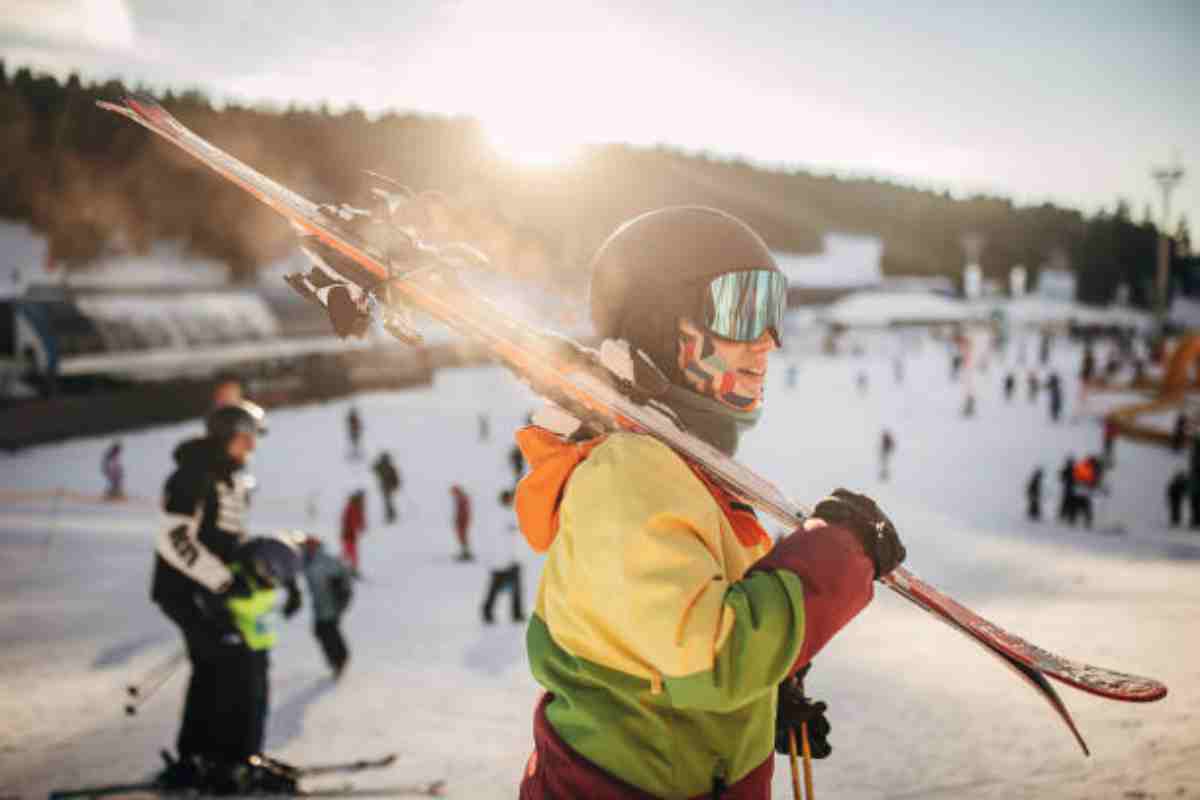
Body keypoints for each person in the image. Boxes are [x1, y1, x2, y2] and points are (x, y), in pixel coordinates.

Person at [514, 207, 906, 799]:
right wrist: (839, 556)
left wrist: (760, 695)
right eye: (743, 311)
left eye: (771, 312)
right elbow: (712, 657)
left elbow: (673, 647)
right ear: (659, 324)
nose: (769, 342)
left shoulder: (680, 468)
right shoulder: (627, 475)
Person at [151, 401, 303, 793]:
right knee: (232, 665)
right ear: (225, 435)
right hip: (187, 592)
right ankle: (227, 761)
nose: (251, 447)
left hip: (213, 592)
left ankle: (212, 759)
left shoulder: (232, 477)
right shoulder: (192, 476)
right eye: (245, 438)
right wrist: (222, 582)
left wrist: (259, 570)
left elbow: (226, 541)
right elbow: (174, 538)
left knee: (219, 668)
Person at [301, 536, 353, 677]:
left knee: (326, 630)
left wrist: (343, 592)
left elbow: (344, 572)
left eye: (310, 546)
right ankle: (338, 658)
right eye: (306, 547)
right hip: (320, 603)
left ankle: (339, 659)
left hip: (331, 602)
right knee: (323, 631)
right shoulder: (307, 560)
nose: (307, 549)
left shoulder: (324, 560)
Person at [480, 489, 524, 624]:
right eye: (511, 498)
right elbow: (496, 539)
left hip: (512, 558)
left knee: (516, 588)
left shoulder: (511, 514)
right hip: (500, 560)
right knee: (495, 588)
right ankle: (487, 611)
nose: (512, 501)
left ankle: (516, 614)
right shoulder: (497, 516)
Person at [340, 490, 367, 574]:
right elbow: (347, 519)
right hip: (348, 533)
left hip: (351, 534)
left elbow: (359, 519)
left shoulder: (358, 507)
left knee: (350, 553)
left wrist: (361, 526)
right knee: (348, 553)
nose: (363, 500)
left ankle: (350, 570)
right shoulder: (352, 506)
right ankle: (344, 570)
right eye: (362, 498)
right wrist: (358, 526)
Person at [371, 451, 402, 524]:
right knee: (387, 501)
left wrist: (396, 485)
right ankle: (391, 514)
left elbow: (396, 477)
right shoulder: (383, 467)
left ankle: (391, 514)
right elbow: (373, 468)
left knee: (388, 501)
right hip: (385, 486)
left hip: (388, 487)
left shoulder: (388, 467)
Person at [450, 484, 473, 561]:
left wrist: (458, 520)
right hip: (462, 520)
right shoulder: (461, 498)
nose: (453, 495)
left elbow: (463, 511)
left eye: (454, 493)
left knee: (462, 537)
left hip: (462, 520)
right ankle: (465, 553)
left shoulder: (462, 498)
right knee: (462, 537)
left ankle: (466, 554)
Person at [1058, 455, 1077, 523]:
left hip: (1071, 489)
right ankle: (1065, 517)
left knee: (1069, 504)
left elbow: (1061, 478)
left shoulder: (1074, 470)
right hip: (1069, 489)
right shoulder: (1070, 470)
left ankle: (1069, 517)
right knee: (1067, 503)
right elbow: (1061, 478)